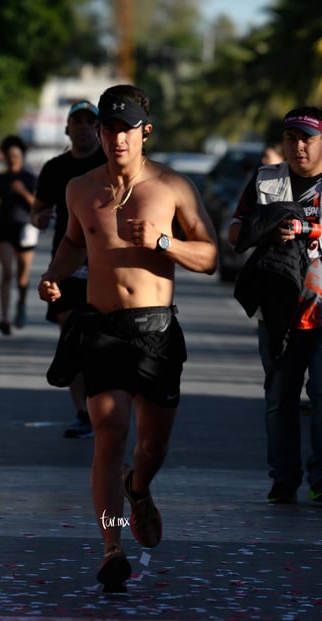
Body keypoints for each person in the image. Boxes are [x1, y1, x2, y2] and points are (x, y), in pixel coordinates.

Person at [38, 84, 218, 592]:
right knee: (109, 436)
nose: (117, 138)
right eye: (108, 127)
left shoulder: (173, 187)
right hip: (100, 330)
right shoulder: (79, 188)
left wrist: (164, 242)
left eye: (126, 129)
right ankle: (111, 545)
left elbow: (210, 258)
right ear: (98, 131)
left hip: (155, 331)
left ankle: (139, 490)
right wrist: (55, 274)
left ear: (145, 132)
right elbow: (75, 243)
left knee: (152, 446)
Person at [228, 106, 322, 505]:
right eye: (291, 139)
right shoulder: (266, 179)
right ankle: (284, 478)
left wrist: (305, 228)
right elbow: (234, 231)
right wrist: (265, 227)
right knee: (279, 399)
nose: (298, 147)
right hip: (277, 311)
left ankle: (321, 480)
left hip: (319, 310)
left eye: (307, 139)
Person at [31, 100, 107, 439]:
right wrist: (40, 218)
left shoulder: (109, 164)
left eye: (89, 122)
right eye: (76, 122)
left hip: (104, 263)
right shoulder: (55, 168)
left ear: (98, 129)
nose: (82, 128)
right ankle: (82, 413)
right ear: (67, 129)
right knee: (71, 338)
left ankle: (103, 407)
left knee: (100, 342)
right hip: (67, 263)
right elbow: (38, 210)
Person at [0, 135, 38, 335]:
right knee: (6, 272)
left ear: (22, 157)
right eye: (9, 156)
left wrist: (23, 192)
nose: (13, 159)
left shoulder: (30, 178)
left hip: (25, 229)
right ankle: (4, 318)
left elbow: (36, 205)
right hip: (4, 228)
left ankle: (21, 305)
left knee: (21, 278)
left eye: (16, 155)